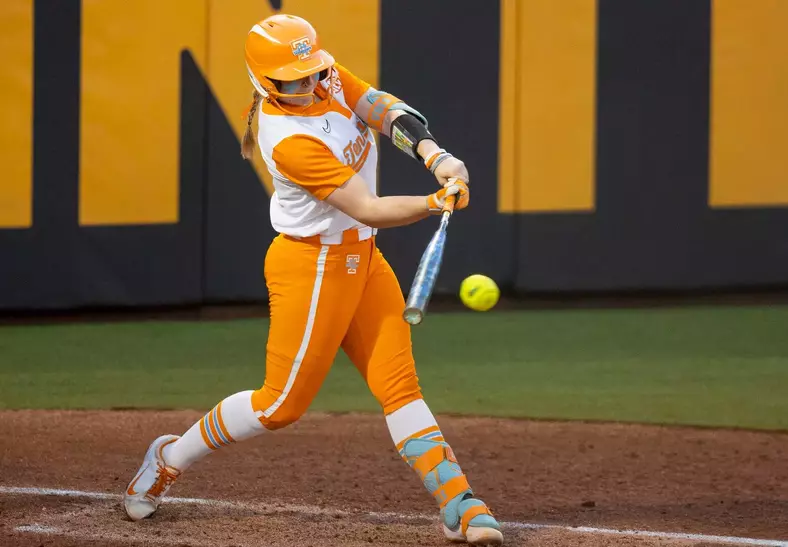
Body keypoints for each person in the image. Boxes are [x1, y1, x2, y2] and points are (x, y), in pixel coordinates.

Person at [122, 13, 503, 546]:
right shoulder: (289, 141)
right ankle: (167, 458)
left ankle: (459, 502)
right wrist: (433, 201)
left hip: (363, 260)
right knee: (279, 407)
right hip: (312, 267)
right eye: (293, 80)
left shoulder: (321, 76)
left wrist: (435, 156)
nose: (308, 84)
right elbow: (368, 207)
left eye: (312, 72)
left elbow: (384, 107)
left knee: (399, 386)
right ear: (265, 84)